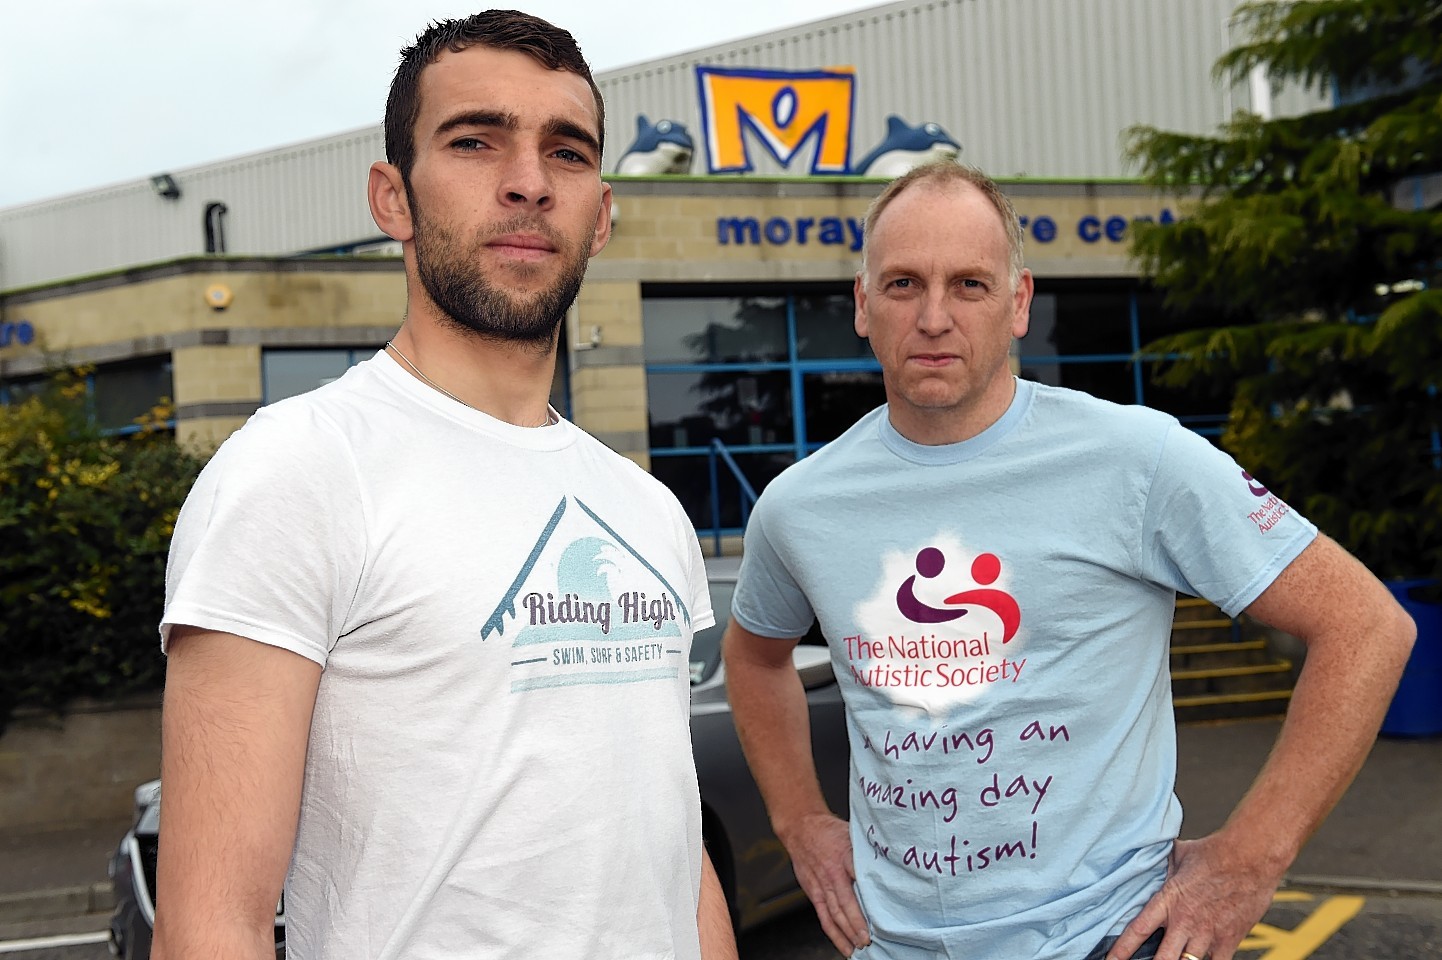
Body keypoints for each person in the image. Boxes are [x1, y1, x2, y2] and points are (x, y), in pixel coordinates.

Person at [721, 161, 1416, 960]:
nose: (935, 317)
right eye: (905, 283)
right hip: (893, 944)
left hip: (1107, 939)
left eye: (971, 285)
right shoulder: (799, 505)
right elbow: (755, 656)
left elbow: (1366, 627)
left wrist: (1252, 858)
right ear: (862, 304)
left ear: (1018, 303)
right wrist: (799, 821)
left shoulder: (1138, 459)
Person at [152, 11, 736, 960]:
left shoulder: (645, 510)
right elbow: (210, 927)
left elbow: (674, 852)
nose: (529, 183)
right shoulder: (298, 471)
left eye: (568, 152)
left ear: (605, 211)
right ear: (392, 199)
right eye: (475, 142)